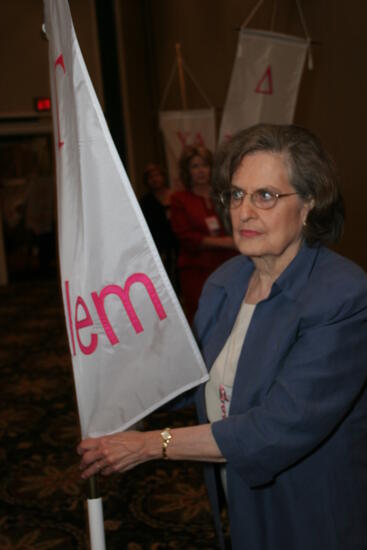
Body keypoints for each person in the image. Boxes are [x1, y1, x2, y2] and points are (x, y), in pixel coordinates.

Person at [77, 124, 367, 550]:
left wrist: (148, 445)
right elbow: (191, 377)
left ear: (308, 205)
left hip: (311, 509)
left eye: (265, 196)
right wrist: (118, 403)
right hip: (238, 495)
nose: (244, 211)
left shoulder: (343, 296)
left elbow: (275, 428)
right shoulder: (225, 282)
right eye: (236, 194)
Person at [170, 145, 236, 323]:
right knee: (203, 320)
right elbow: (186, 237)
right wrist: (227, 242)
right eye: (195, 166)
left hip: (229, 267)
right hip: (196, 270)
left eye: (205, 165)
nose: (201, 171)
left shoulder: (226, 196)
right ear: (187, 171)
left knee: (231, 317)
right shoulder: (179, 199)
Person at [140, 163, 178, 288]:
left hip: (178, 244)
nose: (155, 179)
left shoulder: (175, 196)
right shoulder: (145, 202)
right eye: (151, 177)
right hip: (159, 247)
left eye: (157, 175)